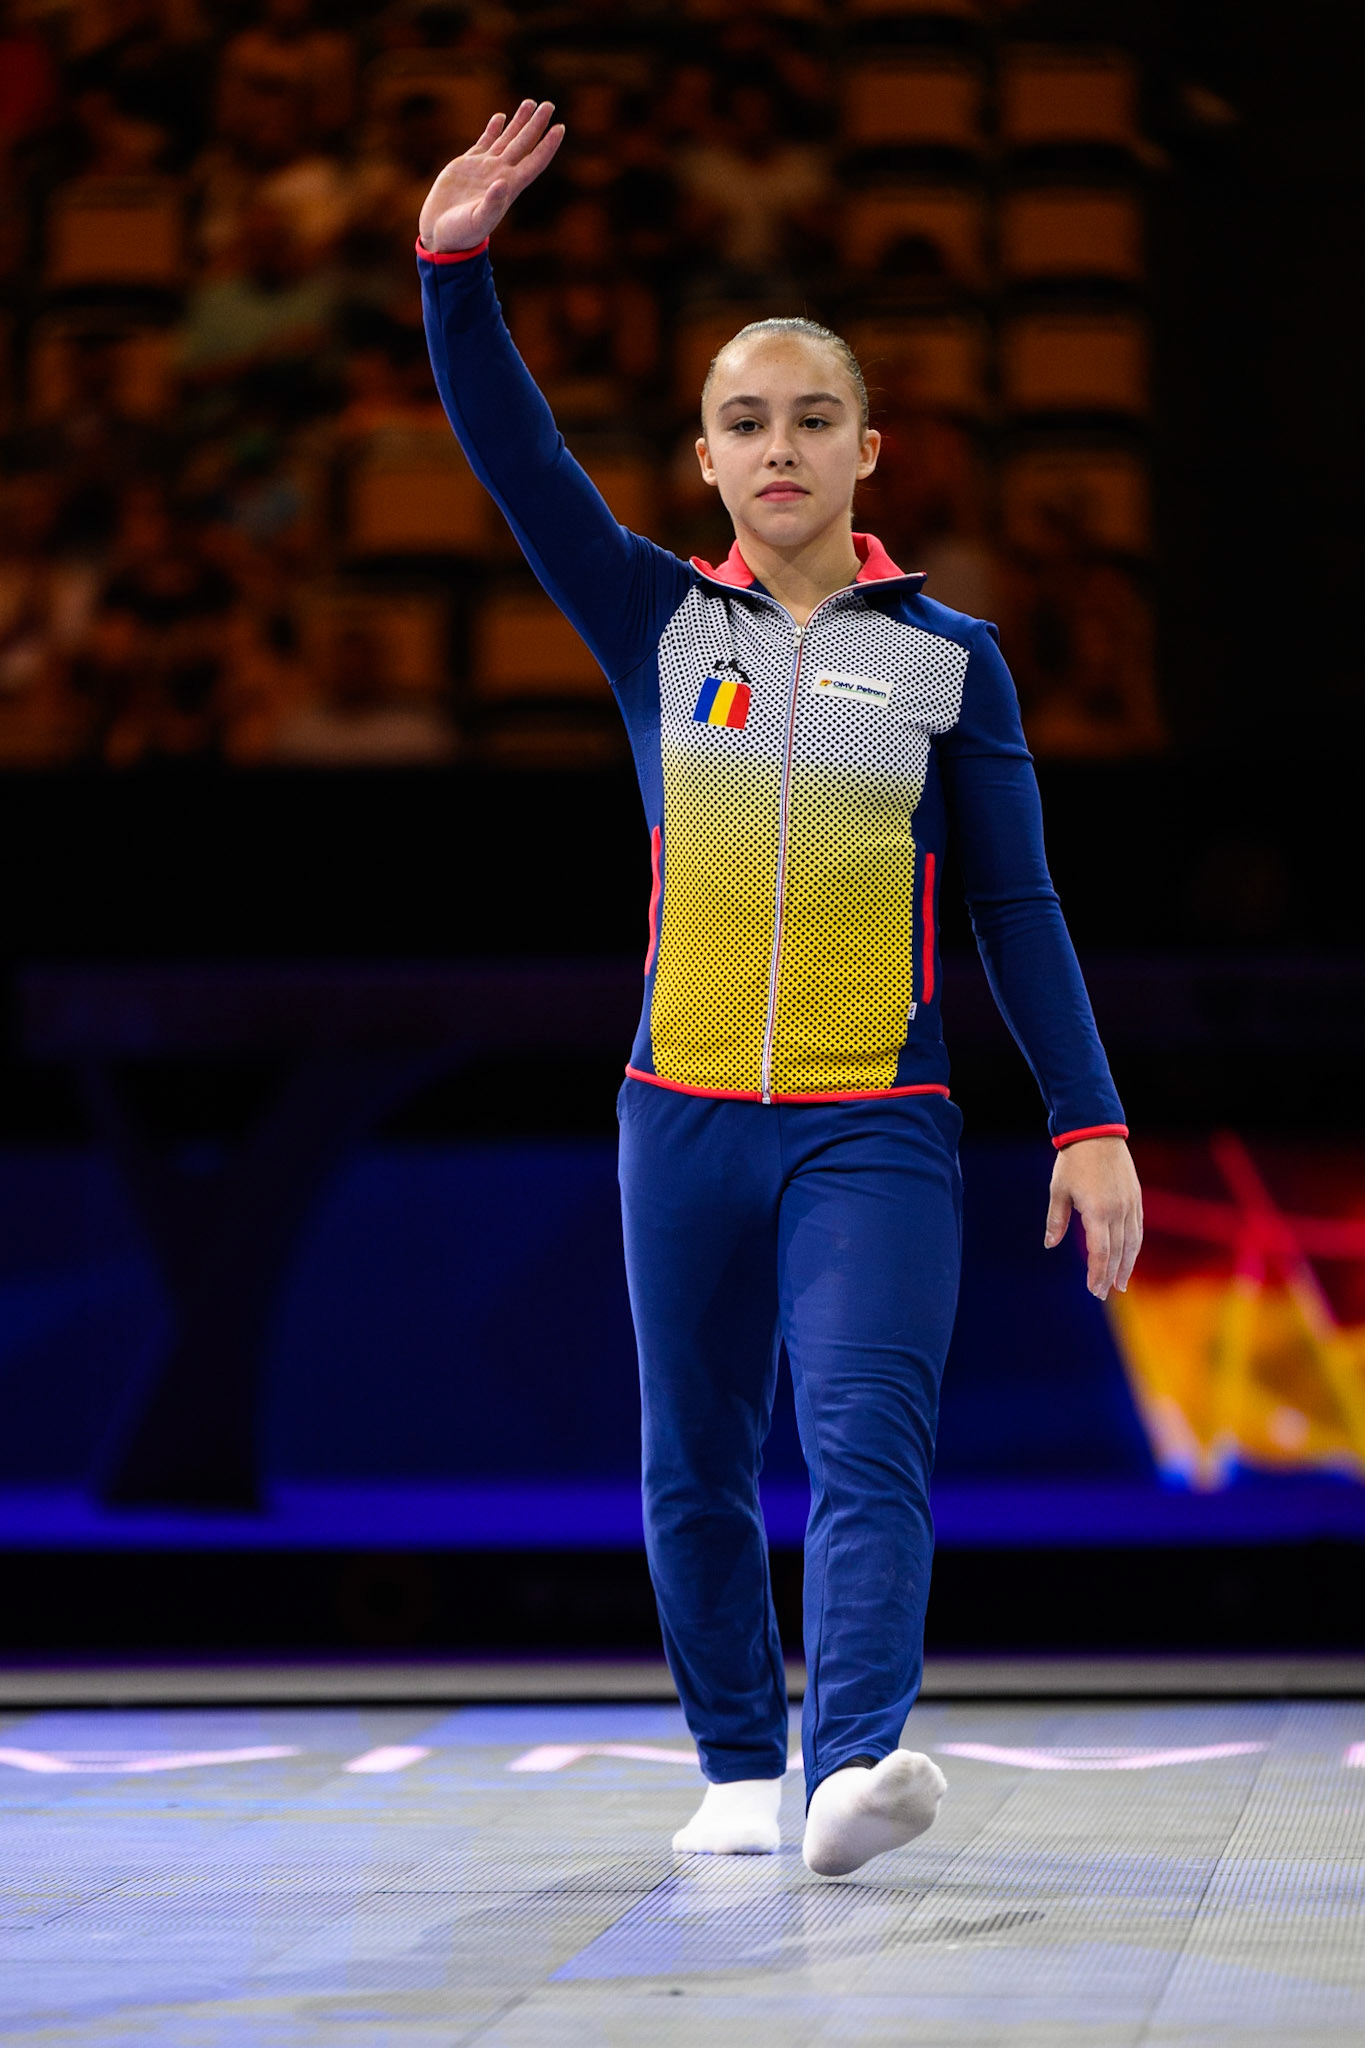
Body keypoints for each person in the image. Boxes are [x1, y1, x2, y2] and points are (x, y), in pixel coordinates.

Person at [416, 102, 1144, 1878]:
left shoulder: (944, 661)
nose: (781, 445)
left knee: (865, 1446)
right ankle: (740, 1761)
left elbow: (1020, 907)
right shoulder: (654, 623)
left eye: (813, 417)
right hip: (676, 1120)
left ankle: (859, 1766)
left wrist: (1091, 1119)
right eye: (747, 421)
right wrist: (453, 269)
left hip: (871, 1126)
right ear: (707, 459)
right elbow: (518, 462)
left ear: (867, 449)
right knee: (693, 1464)